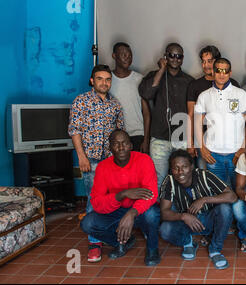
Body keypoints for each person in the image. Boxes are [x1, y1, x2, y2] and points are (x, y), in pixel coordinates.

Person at [68, 64, 124, 262]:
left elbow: (120, 134)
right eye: (100, 78)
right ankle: (94, 243)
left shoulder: (115, 104)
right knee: (94, 201)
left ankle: (112, 235)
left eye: (108, 79)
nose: (104, 82)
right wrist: (81, 156)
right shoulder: (81, 101)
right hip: (90, 160)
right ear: (92, 80)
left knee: (113, 200)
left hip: (111, 161)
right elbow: (75, 130)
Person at [80, 130, 161, 266]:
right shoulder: (103, 167)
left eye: (124, 143)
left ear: (130, 145)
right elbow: (97, 202)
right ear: (110, 147)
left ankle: (152, 249)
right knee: (87, 223)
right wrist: (121, 195)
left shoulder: (144, 160)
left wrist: (131, 213)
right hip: (117, 210)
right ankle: (123, 242)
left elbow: (151, 194)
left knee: (152, 214)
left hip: (139, 211)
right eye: (116, 144)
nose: (121, 147)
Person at [159, 149, 237, 270]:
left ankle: (215, 250)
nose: (180, 172)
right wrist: (183, 216)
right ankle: (187, 242)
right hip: (186, 224)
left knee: (225, 209)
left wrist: (204, 199)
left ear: (191, 166)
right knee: (164, 229)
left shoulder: (204, 176)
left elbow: (232, 196)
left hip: (208, 221)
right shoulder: (169, 181)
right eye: (176, 168)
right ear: (171, 169)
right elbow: (164, 212)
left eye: (184, 167)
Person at [138, 42, 194, 187]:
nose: (175, 59)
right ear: (165, 56)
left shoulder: (189, 81)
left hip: (182, 138)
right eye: (171, 55)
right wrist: (161, 70)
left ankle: (180, 208)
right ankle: (159, 209)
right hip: (159, 138)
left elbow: (193, 112)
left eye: (179, 56)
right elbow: (146, 93)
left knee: (183, 178)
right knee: (159, 179)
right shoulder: (154, 75)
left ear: (182, 59)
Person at [194, 58, 246, 189]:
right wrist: (202, 148)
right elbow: (197, 122)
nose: (222, 74)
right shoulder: (204, 96)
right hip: (213, 155)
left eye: (225, 71)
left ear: (230, 73)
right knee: (218, 194)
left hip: (236, 154)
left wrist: (243, 148)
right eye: (218, 71)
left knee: (240, 192)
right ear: (213, 72)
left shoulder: (240, 94)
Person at [186, 45, 240, 168]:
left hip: (227, 144)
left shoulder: (233, 84)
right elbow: (191, 115)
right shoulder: (195, 85)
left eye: (209, 61)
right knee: (204, 176)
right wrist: (191, 143)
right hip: (203, 142)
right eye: (203, 62)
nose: (206, 65)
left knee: (228, 179)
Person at [110, 42, 151, 153]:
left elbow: (146, 113)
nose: (127, 58)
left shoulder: (139, 79)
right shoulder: (107, 80)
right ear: (114, 56)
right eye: (123, 55)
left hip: (137, 134)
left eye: (130, 55)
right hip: (115, 135)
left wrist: (146, 140)